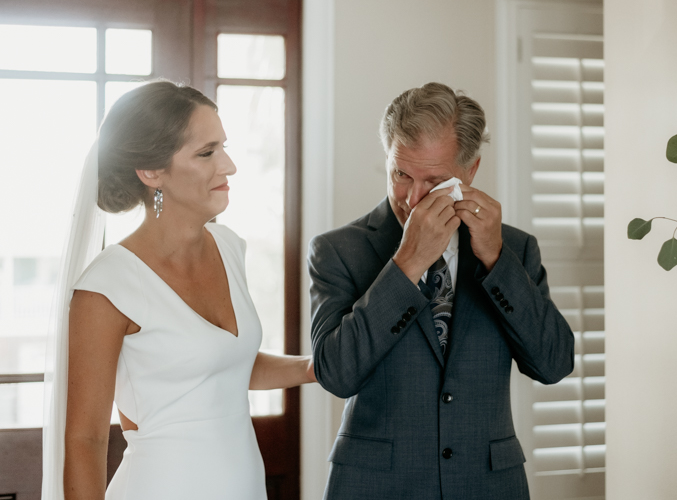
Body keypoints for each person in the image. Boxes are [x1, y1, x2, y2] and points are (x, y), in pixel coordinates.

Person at [42, 81, 315, 500]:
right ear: (152, 172)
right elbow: (85, 440)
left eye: (223, 146)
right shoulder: (106, 287)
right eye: (207, 152)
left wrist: (314, 369)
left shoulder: (230, 248)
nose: (228, 165)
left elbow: (225, 367)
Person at [308, 82, 575, 499]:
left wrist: (496, 260)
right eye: (401, 174)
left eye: (434, 180)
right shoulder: (338, 250)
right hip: (374, 486)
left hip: (488, 485)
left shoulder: (516, 249)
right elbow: (336, 374)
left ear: (470, 172)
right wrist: (407, 263)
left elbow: (554, 363)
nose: (413, 199)